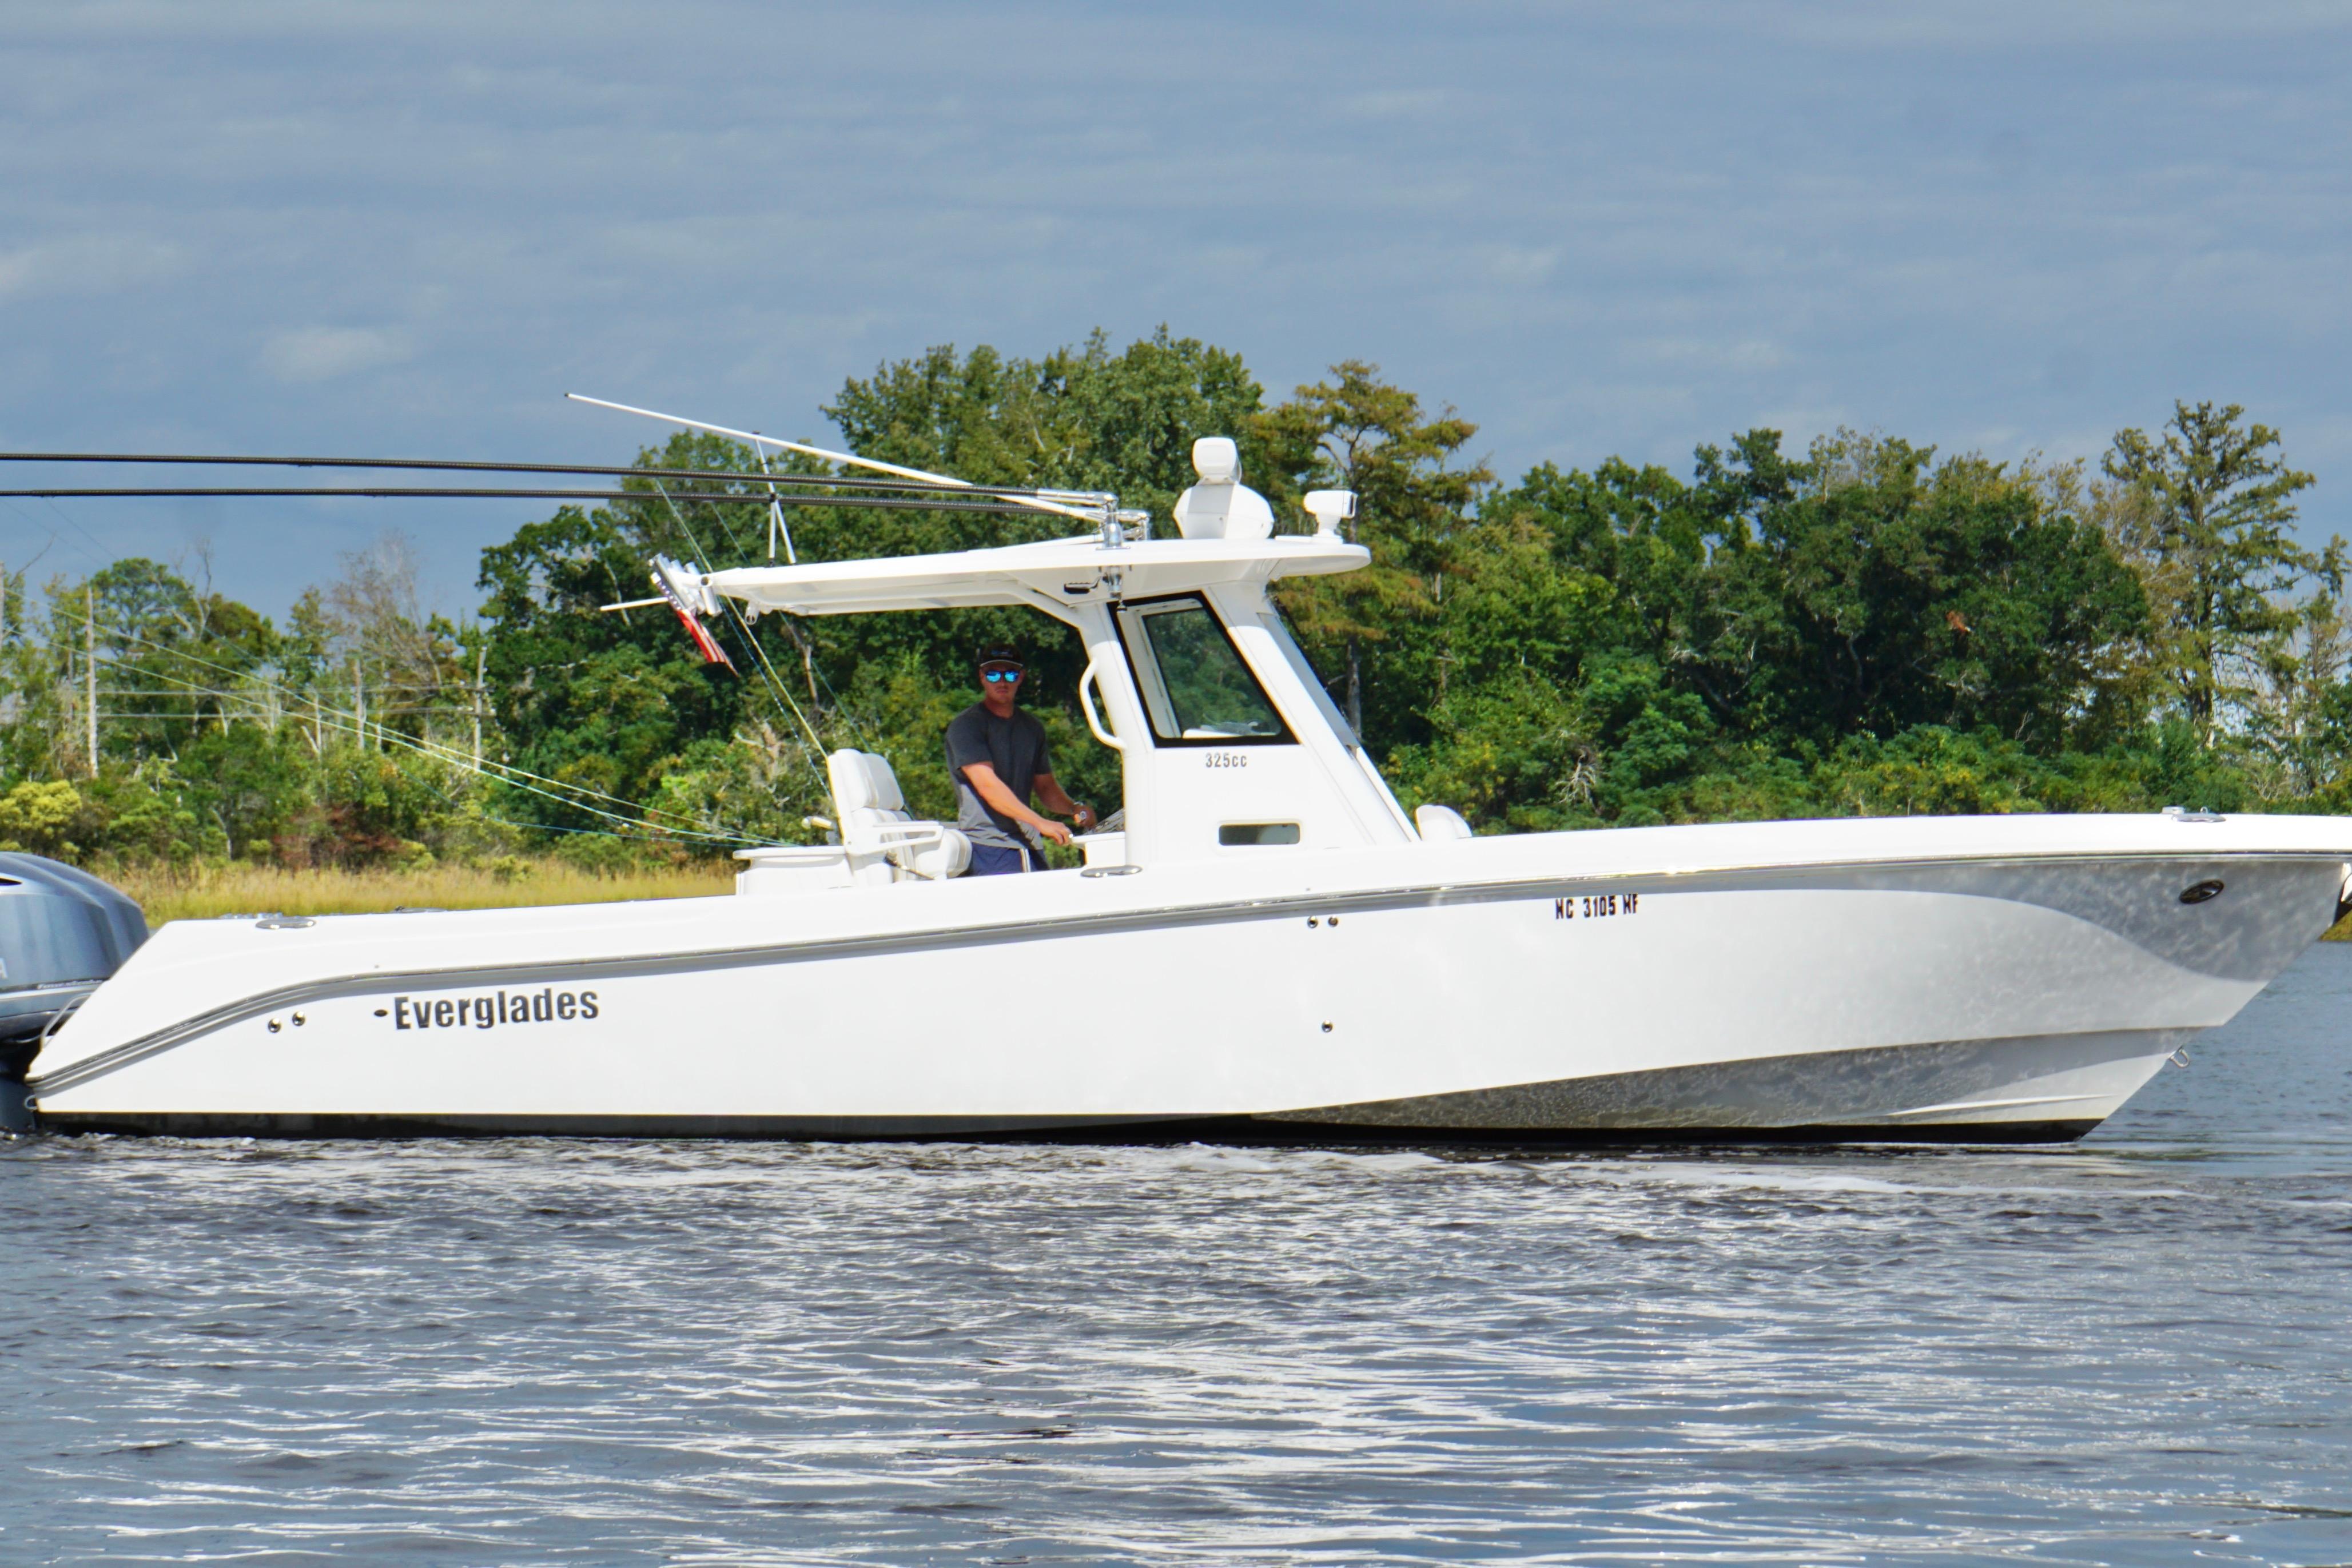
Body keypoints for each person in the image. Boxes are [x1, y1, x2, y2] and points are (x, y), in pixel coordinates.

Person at [945, 646, 1096, 874]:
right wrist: (1040, 822)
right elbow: (988, 786)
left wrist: (1074, 808)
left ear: (1021, 677)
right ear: (982, 677)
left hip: (1030, 845)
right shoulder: (966, 726)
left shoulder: (1032, 727)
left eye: (1010, 674)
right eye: (993, 675)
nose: (1002, 681)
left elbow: (1046, 788)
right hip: (987, 847)